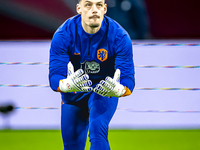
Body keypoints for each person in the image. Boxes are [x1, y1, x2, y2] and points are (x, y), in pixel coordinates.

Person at [49, 0, 135, 149]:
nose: (94, 10)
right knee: (72, 146)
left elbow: (128, 78)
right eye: (88, 5)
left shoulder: (119, 37)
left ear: (105, 9)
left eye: (99, 5)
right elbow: (54, 76)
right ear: (79, 9)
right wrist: (65, 84)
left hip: (104, 90)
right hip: (73, 92)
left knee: (97, 129)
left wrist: (120, 89)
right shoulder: (63, 35)